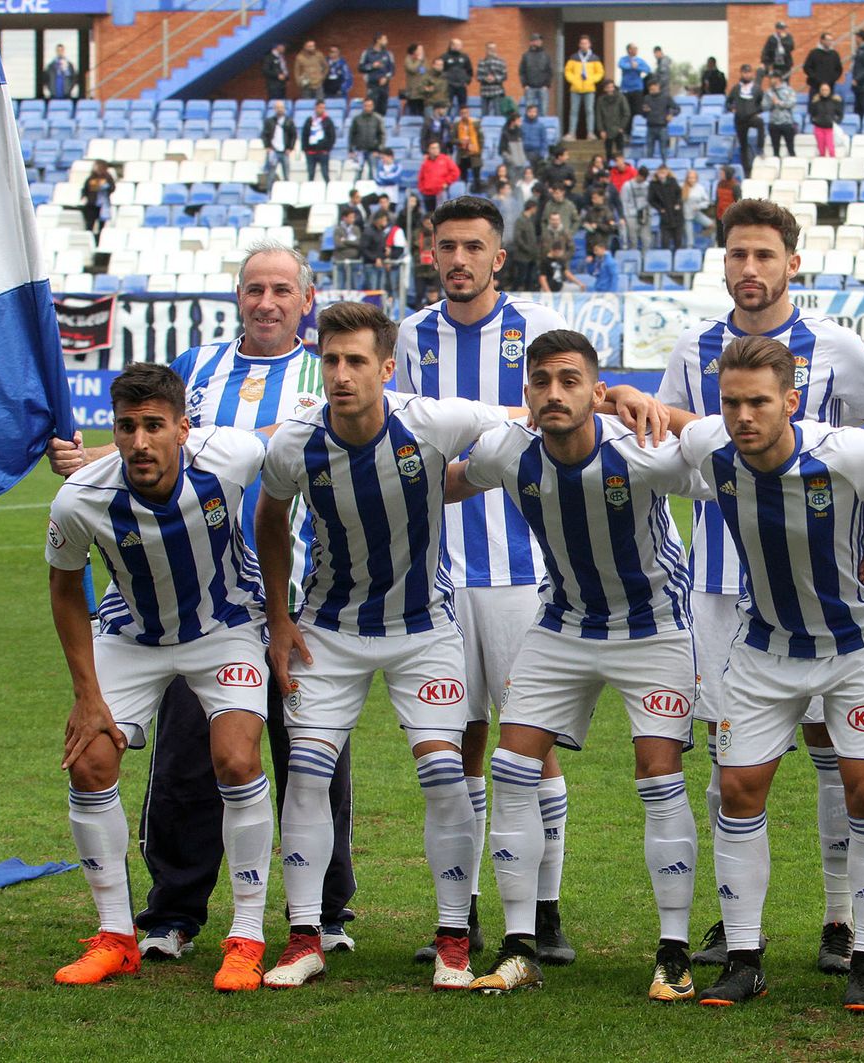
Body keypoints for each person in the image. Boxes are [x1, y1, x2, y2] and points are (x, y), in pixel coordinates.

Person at [45, 245, 360, 972]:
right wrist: (101, 453)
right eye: (254, 288)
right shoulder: (200, 366)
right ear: (238, 298)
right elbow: (149, 423)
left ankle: (319, 914)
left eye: (282, 289)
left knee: (311, 757)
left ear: (305, 300)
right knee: (188, 761)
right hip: (161, 603)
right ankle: (167, 915)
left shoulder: (330, 372)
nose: (267, 301)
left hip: (295, 597)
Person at [658, 336, 864, 1012]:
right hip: (765, 643)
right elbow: (673, 422)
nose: (743, 415)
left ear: (791, 400)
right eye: (731, 402)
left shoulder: (845, 451)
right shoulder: (712, 445)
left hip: (859, 645)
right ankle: (742, 958)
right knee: (737, 789)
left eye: (759, 401)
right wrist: (627, 400)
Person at [657, 198, 864, 978]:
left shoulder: (835, 345)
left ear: (791, 263)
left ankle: (841, 916)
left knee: (838, 754)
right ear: (723, 262)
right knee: (727, 760)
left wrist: (862, 511)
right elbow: (672, 430)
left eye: (765, 255)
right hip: (725, 580)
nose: (750, 269)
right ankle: (732, 927)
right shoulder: (694, 346)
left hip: (828, 581)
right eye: (737, 255)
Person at [255, 301, 523, 991]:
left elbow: (517, 427)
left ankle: (453, 937)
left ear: (386, 367)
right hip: (328, 632)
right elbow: (270, 517)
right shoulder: (295, 442)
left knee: (442, 774)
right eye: (331, 361)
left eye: (355, 361)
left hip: (421, 629)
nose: (342, 375)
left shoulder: (431, 420)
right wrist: (278, 617)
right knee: (309, 774)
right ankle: (304, 936)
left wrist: (461, 479)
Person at [438, 328, 697, 998]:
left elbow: (735, 468)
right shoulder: (507, 450)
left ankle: (673, 951)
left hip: (654, 627)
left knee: (657, 774)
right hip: (563, 624)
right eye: (542, 380)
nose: (554, 393)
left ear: (597, 391)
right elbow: (448, 484)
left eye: (570, 379)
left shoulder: (642, 451)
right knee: (512, 764)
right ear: (526, 392)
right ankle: (520, 943)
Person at [46, 363, 275, 992]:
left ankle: (247, 936)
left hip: (223, 626)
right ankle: (116, 935)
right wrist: (86, 696)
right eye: (127, 428)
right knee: (90, 760)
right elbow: (65, 590)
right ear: (113, 432)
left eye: (154, 426)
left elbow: (280, 439)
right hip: (131, 636)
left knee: (234, 758)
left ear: (183, 429)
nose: (141, 442)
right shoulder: (81, 499)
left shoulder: (226, 457)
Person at [395, 197, 580, 961]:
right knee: (459, 746)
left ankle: (545, 908)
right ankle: (462, 908)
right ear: (429, 253)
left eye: (474, 246)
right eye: (447, 246)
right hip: (440, 576)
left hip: (519, 571)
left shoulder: (535, 330)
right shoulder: (409, 337)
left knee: (532, 746)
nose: (460, 258)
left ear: (499, 257)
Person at [727, 65, 766, 174]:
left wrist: (757, 111)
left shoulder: (756, 88)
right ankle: (747, 170)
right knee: (743, 146)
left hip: (751, 117)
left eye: (749, 72)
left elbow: (762, 102)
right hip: (739, 119)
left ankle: (760, 148)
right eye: (744, 72)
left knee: (760, 123)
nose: (747, 75)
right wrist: (732, 108)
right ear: (741, 73)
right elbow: (728, 102)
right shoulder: (736, 88)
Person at [565, 36, 603, 141]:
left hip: (589, 88)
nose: (584, 45)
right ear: (579, 45)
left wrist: (591, 80)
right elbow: (568, 71)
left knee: (589, 111)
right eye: (582, 43)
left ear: (589, 45)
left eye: (586, 43)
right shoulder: (573, 57)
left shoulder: (595, 58)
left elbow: (600, 72)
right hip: (575, 88)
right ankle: (572, 133)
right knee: (573, 111)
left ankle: (590, 133)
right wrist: (573, 80)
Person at [346, 97, 385, 180]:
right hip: (360, 150)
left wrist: (379, 150)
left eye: (370, 106)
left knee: (373, 173)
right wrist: (351, 150)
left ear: (373, 106)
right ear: (363, 106)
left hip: (373, 151)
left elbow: (382, 135)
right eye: (366, 106)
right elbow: (351, 135)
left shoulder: (377, 119)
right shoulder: (357, 119)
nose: (368, 108)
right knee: (358, 173)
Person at [509, 198, 544, 290]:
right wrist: (527, 248)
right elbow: (518, 238)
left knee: (530, 278)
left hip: (531, 256)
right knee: (521, 277)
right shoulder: (520, 220)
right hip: (522, 256)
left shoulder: (530, 220)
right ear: (532, 208)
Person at [418, 141, 461, 213]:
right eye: (433, 148)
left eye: (437, 148)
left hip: (440, 191)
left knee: (441, 214)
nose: (435, 150)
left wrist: (447, 182)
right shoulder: (425, 162)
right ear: (429, 150)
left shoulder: (445, 159)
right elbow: (421, 177)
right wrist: (422, 189)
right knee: (429, 215)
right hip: (427, 193)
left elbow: (456, 172)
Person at [641, 79, 678, 163]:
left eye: (654, 88)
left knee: (663, 151)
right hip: (650, 127)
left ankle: (665, 167)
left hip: (662, 127)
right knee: (649, 151)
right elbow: (643, 114)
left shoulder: (666, 97)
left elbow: (677, 109)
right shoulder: (647, 98)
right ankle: (649, 167)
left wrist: (671, 114)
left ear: (658, 87)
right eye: (650, 89)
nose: (652, 91)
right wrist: (645, 111)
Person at [649, 165, 685, 250]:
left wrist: (678, 204)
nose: (662, 175)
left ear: (667, 173)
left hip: (677, 216)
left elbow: (679, 194)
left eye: (664, 172)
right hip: (665, 217)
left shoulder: (673, 181)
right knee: (665, 242)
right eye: (660, 173)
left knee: (678, 242)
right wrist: (660, 209)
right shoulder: (653, 185)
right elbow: (651, 200)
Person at [621, 165, 655, 253]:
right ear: (638, 175)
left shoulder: (647, 185)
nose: (643, 180)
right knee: (633, 240)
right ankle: (634, 257)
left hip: (645, 215)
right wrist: (625, 215)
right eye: (642, 178)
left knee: (646, 239)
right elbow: (624, 201)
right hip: (631, 216)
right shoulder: (627, 185)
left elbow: (650, 200)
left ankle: (645, 259)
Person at [261, 100, 296, 184]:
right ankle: (269, 193)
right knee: (271, 175)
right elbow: (264, 135)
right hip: (273, 151)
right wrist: (267, 146)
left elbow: (293, 135)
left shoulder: (289, 121)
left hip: (285, 152)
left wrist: (290, 148)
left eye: (281, 107)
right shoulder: (269, 121)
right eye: (278, 107)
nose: (280, 109)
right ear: (274, 109)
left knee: (286, 175)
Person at [620, 44, 652, 134]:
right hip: (625, 89)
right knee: (626, 112)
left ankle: (638, 132)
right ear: (629, 50)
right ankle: (626, 132)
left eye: (636, 48)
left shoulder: (640, 60)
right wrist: (631, 66)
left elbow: (648, 69)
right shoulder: (623, 59)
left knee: (637, 111)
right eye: (634, 48)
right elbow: (622, 65)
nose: (636, 50)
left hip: (637, 89)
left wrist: (637, 67)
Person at [80, 160, 115, 242]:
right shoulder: (91, 177)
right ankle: (88, 241)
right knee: (89, 225)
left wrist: (105, 187)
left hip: (103, 206)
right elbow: (85, 189)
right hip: (92, 205)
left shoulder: (108, 177)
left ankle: (98, 241)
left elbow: (112, 188)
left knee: (101, 227)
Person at [300, 100, 336, 183]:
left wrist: (327, 149)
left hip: (323, 152)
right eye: (320, 107)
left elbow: (332, 136)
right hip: (310, 152)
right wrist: (305, 149)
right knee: (311, 174)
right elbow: (304, 135)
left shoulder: (328, 121)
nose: (322, 110)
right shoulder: (309, 120)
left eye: (323, 108)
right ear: (316, 108)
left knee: (325, 174)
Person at [765, 74, 798, 159]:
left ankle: (793, 166)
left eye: (772, 78)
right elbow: (764, 106)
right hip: (773, 122)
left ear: (778, 79)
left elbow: (792, 103)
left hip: (787, 122)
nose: (771, 80)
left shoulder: (789, 90)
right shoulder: (769, 92)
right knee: (775, 150)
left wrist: (779, 103)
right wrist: (771, 103)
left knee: (791, 148)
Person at [519, 33, 553, 116]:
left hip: (543, 88)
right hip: (530, 88)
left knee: (544, 112)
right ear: (531, 42)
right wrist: (525, 85)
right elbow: (521, 71)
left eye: (539, 41)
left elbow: (550, 71)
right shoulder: (526, 56)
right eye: (536, 40)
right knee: (529, 112)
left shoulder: (546, 55)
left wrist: (547, 85)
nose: (538, 42)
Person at [360, 33, 395, 115]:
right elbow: (360, 68)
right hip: (372, 86)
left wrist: (386, 78)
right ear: (378, 40)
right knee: (371, 110)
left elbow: (392, 70)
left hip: (384, 87)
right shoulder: (367, 53)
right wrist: (372, 66)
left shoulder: (388, 54)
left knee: (382, 110)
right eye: (385, 39)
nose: (387, 42)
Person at [596, 80, 631, 160]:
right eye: (608, 87)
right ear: (604, 89)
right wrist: (601, 130)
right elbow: (599, 116)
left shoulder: (621, 97)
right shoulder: (600, 100)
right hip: (607, 129)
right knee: (608, 152)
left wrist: (622, 127)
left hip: (619, 129)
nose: (610, 89)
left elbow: (626, 113)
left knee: (620, 152)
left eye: (612, 87)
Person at [810, 83, 844, 159]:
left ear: (829, 90)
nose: (824, 91)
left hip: (830, 128)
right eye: (823, 90)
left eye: (826, 90)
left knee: (831, 148)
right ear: (820, 91)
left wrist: (836, 121)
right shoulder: (816, 102)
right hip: (819, 128)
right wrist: (815, 121)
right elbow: (812, 114)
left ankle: (833, 164)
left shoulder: (834, 102)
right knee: (821, 149)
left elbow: (840, 114)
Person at [441, 38, 475, 113]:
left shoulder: (464, 57)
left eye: (460, 45)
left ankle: (461, 122)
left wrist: (467, 81)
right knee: (447, 105)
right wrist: (444, 82)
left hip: (461, 85)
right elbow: (440, 71)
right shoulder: (444, 57)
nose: (460, 46)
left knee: (463, 106)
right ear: (452, 45)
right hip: (449, 86)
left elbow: (469, 71)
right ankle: (446, 121)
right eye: (458, 45)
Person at [332, 209, 363, 289]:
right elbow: (338, 244)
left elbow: (358, 243)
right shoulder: (338, 230)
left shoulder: (356, 229)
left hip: (354, 260)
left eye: (353, 217)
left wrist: (345, 241)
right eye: (350, 217)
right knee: (340, 285)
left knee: (355, 284)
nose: (353, 219)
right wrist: (352, 243)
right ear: (344, 218)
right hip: (341, 260)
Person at [681, 169, 713, 245]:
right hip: (685, 215)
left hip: (696, 213)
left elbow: (707, 201)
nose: (691, 180)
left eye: (693, 178)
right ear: (687, 178)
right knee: (690, 239)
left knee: (711, 225)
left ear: (696, 178)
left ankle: (705, 239)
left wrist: (699, 206)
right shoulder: (682, 187)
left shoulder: (700, 188)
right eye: (690, 178)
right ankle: (690, 249)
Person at [475, 42, 507, 118]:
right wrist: (485, 78)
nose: (492, 50)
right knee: (484, 114)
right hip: (484, 91)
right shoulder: (481, 62)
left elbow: (505, 76)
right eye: (490, 48)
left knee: (498, 113)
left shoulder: (501, 61)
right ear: (486, 49)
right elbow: (478, 77)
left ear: (496, 49)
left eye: (493, 48)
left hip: (497, 91)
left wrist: (495, 78)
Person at [454, 105, 484, 185]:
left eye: (466, 113)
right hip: (462, 154)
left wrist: (479, 151)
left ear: (469, 113)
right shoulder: (456, 125)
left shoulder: (476, 124)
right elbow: (452, 139)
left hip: (475, 154)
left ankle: (476, 193)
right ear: (460, 114)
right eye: (462, 113)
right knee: (463, 178)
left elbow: (481, 139)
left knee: (477, 178)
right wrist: (460, 141)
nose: (464, 114)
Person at [713, 165, 739, 248]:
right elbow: (717, 199)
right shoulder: (719, 184)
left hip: (730, 215)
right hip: (719, 213)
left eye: (722, 173)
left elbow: (737, 201)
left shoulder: (735, 186)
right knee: (720, 233)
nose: (720, 175)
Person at [404, 43, 430, 118]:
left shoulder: (424, 60)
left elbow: (426, 71)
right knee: (414, 114)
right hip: (413, 92)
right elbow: (412, 69)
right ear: (414, 51)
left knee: (422, 113)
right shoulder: (408, 59)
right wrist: (418, 60)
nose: (422, 51)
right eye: (420, 49)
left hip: (423, 91)